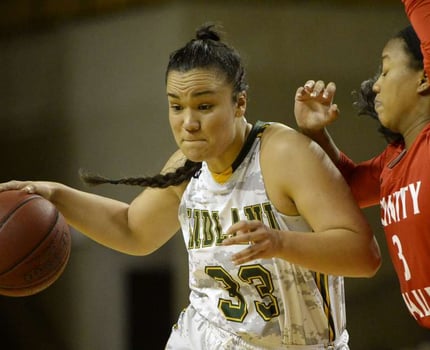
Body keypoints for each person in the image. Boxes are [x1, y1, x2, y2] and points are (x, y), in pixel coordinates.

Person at [0, 24, 381, 349]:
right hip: (204, 337)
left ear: (239, 104)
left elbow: (363, 255)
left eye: (203, 106)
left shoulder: (286, 154)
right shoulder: (187, 167)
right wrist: (55, 195)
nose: (188, 122)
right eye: (176, 106)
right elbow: (133, 230)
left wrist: (281, 242)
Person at [294, 0, 430, 329]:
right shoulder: (394, 162)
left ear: (425, 77)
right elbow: (347, 189)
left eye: (385, 70)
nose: (377, 84)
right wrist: (317, 134)